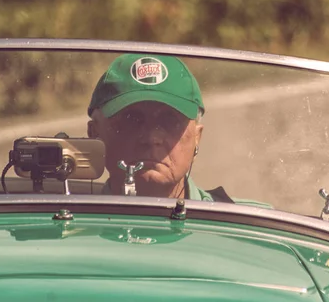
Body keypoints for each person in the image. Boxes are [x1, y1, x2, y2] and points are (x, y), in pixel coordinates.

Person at [87, 53, 233, 201]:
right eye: (130, 121)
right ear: (94, 135)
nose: (152, 138)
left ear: (197, 137)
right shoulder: (72, 221)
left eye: (170, 121)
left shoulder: (240, 220)